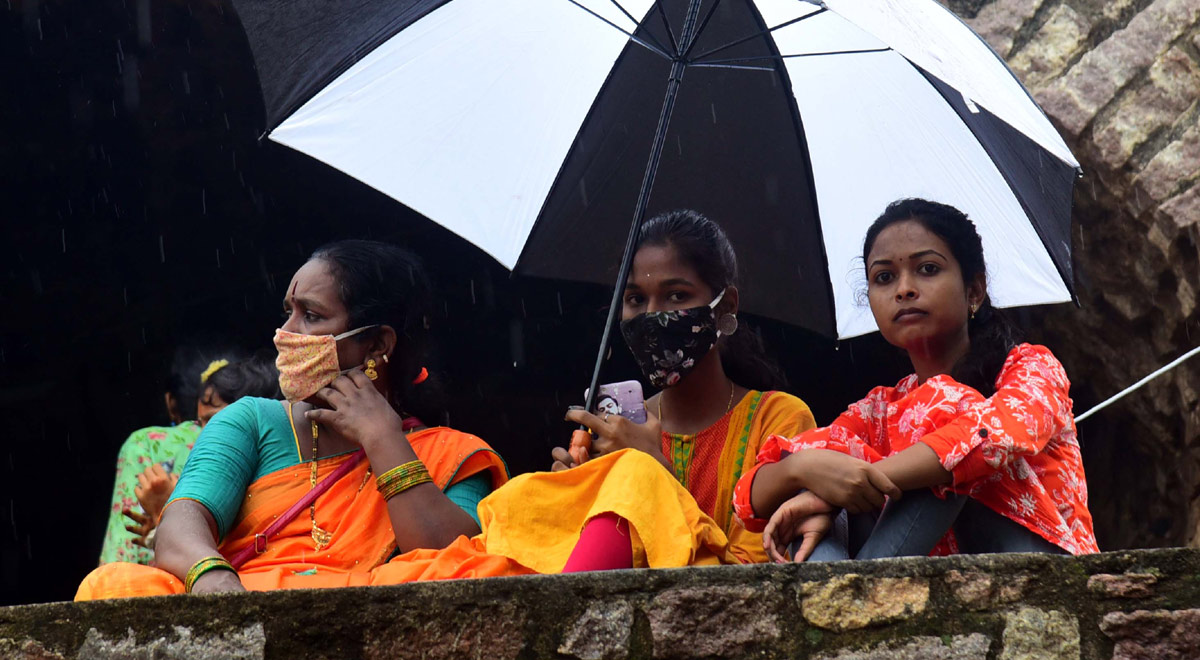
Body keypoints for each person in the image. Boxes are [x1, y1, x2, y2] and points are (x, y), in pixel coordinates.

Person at [359, 209, 816, 582]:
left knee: (634, 475)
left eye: (675, 296)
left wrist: (653, 474)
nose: (651, 316)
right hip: (609, 599)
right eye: (636, 299)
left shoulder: (776, 418)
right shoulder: (615, 422)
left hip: (705, 605)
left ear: (726, 307)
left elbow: (758, 572)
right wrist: (578, 493)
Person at [77, 240, 507, 598]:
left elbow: (453, 566)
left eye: (312, 316)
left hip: (370, 610)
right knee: (115, 585)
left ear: (377, 344)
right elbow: (179, 529)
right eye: (289, 311)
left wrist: (383, 441)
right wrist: (217, 581)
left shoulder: (452, 452)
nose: (286, 333)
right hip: (238, 602)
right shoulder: (251, 421)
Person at [735, 198, 1097, 562]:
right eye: (884, 277)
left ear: (974, 291)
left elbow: (989, 437)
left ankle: (852, 597)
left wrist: (845, 486)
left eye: (927, 268)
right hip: (919, 582)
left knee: (940, 443)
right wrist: (803, 471)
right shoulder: (879, 409)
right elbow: (748, 497)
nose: (904, 289)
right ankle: (833, 598)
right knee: (815, 494)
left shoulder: (1031, 366)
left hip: (1034, 567)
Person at [120, 353, 284, 552]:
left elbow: (226, 563)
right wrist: (159, 530)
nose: (204, 435)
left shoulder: (279, 478)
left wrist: (174, 511)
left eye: (216, 420)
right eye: (202, 423)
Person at [97, 349, 206, 565]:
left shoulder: (144, 443)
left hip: (160, 582)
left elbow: (123, 552)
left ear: (170, 402)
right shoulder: (245, 441)